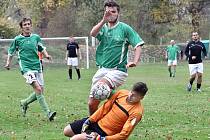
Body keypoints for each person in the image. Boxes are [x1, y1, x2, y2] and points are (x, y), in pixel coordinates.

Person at [88, 0, 144, 115]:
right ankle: (93, 126)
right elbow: (92, 34)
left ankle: (122, 104)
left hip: (118, 70)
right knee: (91, 104)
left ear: (118, 13)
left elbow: (138, 45)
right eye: (108, 12)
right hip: (102, 69)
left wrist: (135, 61)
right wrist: (103, 20)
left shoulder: (125, 28)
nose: (110, 14)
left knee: (101, 86)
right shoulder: (103, 27)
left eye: (113, 12)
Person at [4, 17, 56, 121]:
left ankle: (24, 103)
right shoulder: (17, 39)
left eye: (28, 24)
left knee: (41, 90)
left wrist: (47, 55)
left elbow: (41, 48)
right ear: (21, 28)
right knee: (38, 89)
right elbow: (11, 52)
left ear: (31, 25)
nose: (27, 26)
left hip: (37, 66)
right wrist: (8, 63)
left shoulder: (36, 37)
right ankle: (48, 113)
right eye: (25, 25)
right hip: (26, 67)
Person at [63, 82, 148, 140]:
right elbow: (104, 108)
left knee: (75, 139)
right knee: (67, 131)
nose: (130, 96)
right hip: (96, 122)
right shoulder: (121, 93)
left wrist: (103, 138)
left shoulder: (137, 112)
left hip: (105, 133)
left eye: (134, 96)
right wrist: (89, 120)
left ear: (141, 98)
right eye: (131, 93)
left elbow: (124, 134)